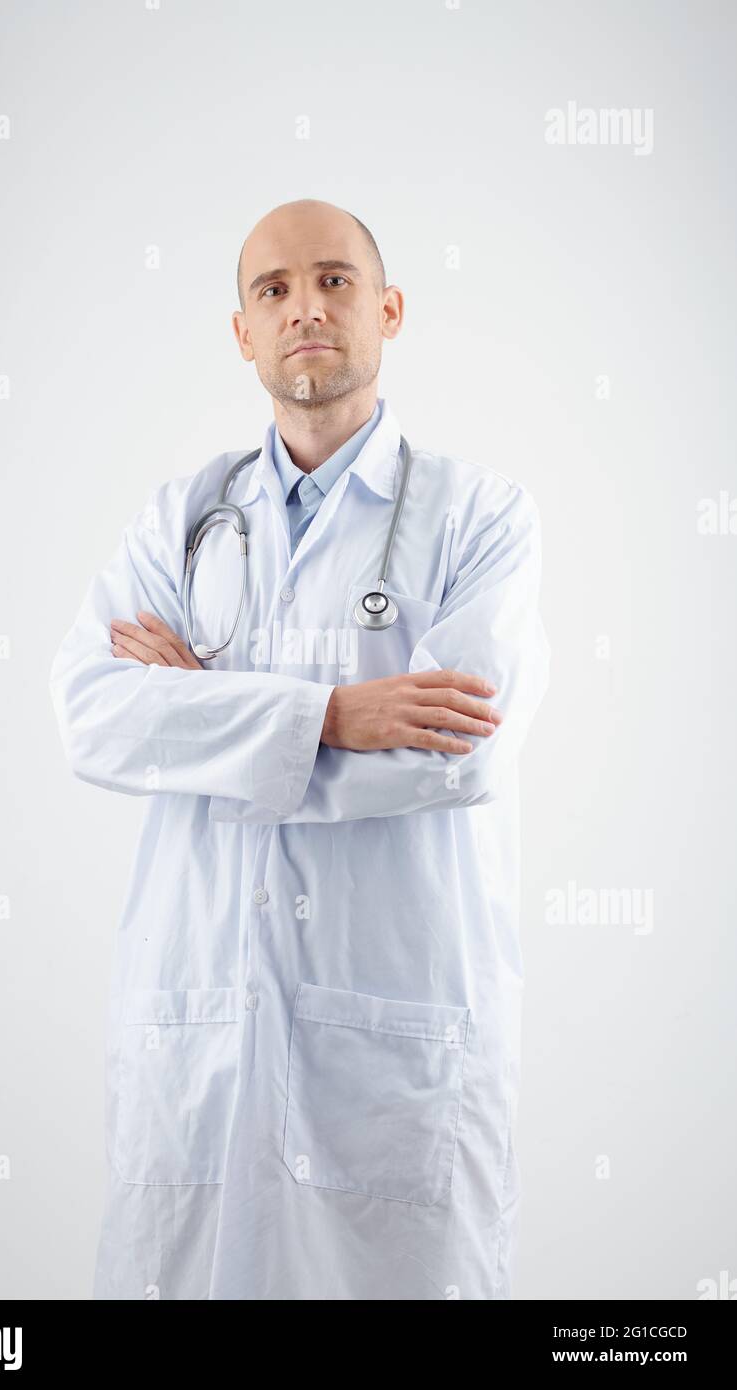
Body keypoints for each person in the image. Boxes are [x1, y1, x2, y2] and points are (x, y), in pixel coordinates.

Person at [49, 197, 550, 1300]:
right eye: (272, 290)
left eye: (332, 280)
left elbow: (450, 754)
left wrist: (205, 717)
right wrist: (328, 715)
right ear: (241, 331)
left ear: (387, 308)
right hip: (203, 1041)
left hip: (394, 1053)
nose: (304, 308)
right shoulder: (178, 519)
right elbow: (90, 711)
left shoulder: (479, 518)